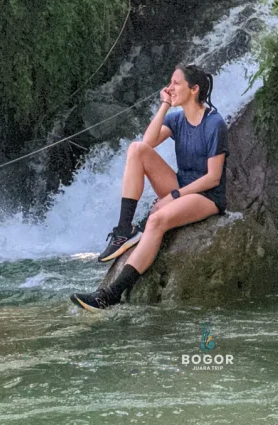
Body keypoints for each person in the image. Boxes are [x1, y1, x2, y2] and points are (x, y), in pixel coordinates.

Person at [70, 63, 229, 311]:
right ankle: (124, 230)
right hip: (182, 185)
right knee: (137, 149)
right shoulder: (177, 119)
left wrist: (173, 196)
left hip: (206, 196)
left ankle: (110, 295)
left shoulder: (214, 123)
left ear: (194, 89)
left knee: (156, 221)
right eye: (170, 82)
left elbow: (213, 178)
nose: (170, 87)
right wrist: (165, 104)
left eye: (176, 83)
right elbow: (148, 141)